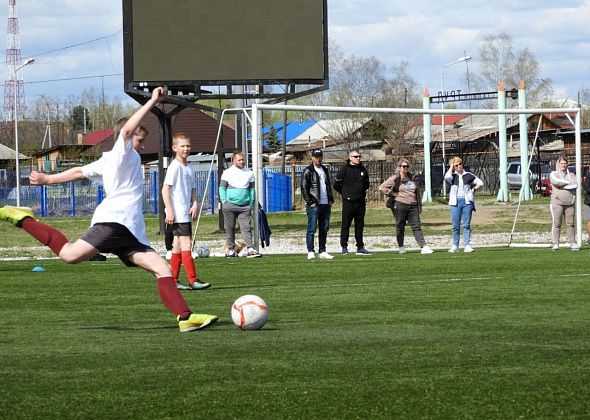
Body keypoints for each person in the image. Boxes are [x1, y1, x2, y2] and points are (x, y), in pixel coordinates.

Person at [0, 87, 217, 333]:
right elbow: (125, 131)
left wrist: (49, 180)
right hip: (114, 222)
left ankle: (186, 318)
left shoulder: (108, 160)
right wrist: (152, 101)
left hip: (130, 232)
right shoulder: (122, 152)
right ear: (126, 137)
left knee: (162, 269)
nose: (141, 143)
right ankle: (22, 219)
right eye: (139, 139)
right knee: (70, 255)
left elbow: (79, 172)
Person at [162, 132, 211, 290]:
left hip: (185, 212)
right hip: (178, 214)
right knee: (186, 245)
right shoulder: (174, 167)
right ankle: (193, 280)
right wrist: (169, 210)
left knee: (176, 247)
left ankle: (173, 280)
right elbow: (165, 189)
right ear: (175, 148)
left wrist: (195, 203)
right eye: (182, 146)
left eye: (188, 145)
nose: (186, 148)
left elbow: (193, 189)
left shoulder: (190, 167)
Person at [379, 159, 433, 255]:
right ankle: (401, 246)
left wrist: (419, 205)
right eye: (403, 166)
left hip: (413, 205)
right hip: (400, 204)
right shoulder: (395, 178)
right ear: (399, 167)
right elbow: (382, 187)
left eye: (407, 166)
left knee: (416, 226)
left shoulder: (412, 178)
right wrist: (394, 194)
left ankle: (423, 246)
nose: (405, 168)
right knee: (400, 226)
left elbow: (417, 192)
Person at [219, 151, 261, 258]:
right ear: (234, 161)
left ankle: (250, 248)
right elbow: (222, 188)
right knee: (230, 228)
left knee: (246, 227)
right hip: (230, 205)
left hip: (244, 206)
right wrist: (224, 202)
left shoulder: (249, 173)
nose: (242, 162)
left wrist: (250, 203)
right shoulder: (227, 172)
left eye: (243, 159)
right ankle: (231, 250)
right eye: (239, 160)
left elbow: (252, 189)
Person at [333, 150, 372, 255]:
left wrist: (360, 193)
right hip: (348, 203)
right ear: (350, 158)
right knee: (346, 224)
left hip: (360, 202)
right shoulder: (344, 170)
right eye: (355, 156)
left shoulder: (363, 169)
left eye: (359, 156)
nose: (358, 158)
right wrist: (345, 194)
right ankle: (344, 247)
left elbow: (367, 184)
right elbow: (336, 185)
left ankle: (360, 247)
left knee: (360, 225)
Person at [444, 156, 483, 253]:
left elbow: (480, 182)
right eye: (456, 165)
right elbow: (446, 177)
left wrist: (473, 190)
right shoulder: (452, 175)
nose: (459, 166)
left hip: (467, 202)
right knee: (455, 225)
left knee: (466, 224)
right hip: (455, 202)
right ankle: (455, 245)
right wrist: (451, 166)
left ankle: (467, 245)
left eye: (460, 164)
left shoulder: (468, 175)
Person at [301, 149, 334, 260]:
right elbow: (304, 188)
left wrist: (330, 200)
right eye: (316, 156)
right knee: (312, 228)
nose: (318, 158)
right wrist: (310, 202)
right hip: (315, 204)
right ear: (312, 158)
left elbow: (328, 186)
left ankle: (322, 250)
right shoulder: (308, 171)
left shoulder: (324, 169)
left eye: (320, 156)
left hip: (325, 204)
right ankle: (310, 251)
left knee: (324, 228)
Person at [549, 156, 579, 251]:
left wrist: (563, 186)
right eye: (562, 163)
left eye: (565, 163)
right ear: (559, 164)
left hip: (570, 202)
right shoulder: (554, 174)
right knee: (557, 223)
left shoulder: (572, 175)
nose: (563, 165)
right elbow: (556, 182)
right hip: (557, 202)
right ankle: (555, 243)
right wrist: (567, 183)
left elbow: (575, 184)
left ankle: (572, 242)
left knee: (570, 224)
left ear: (567, 164)